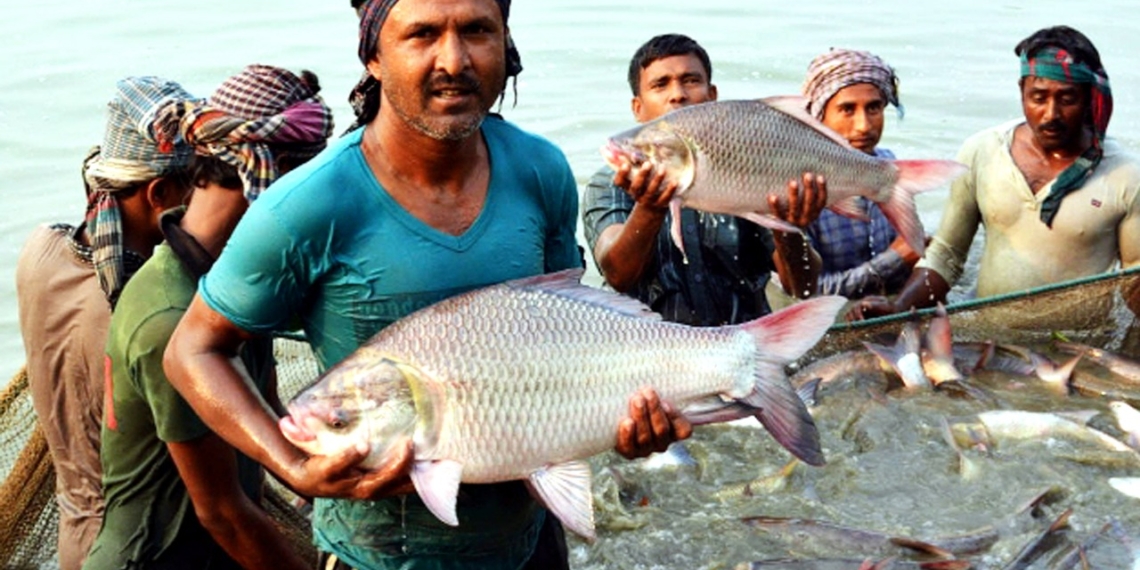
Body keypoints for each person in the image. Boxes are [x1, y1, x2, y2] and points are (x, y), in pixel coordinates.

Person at [162, 1, 689, 569]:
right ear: (373, 58)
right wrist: (291, 466)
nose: (454, 59)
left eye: (477, 30)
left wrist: (623, 418)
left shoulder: (541, 170)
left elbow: (561, 332)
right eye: (422, 34)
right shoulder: (310, 204)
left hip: (532, 544)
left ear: (505, 43)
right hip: (382, 556)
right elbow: (193, 348)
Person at [83, 65, 333, 570]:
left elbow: (269, 417)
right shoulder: (171, 317)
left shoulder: (236, 283)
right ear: (272, 180)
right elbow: (222, 513)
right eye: (307, 184)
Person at [14, 76, 196, 570]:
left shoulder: (40, 252)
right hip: (140, 547)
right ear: (159, 192)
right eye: (197, 184)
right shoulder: (146, 311)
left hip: (75, 537)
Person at [852, 25, 1140, 320]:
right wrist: (898, 308)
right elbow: (947, 254)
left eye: (1067, 100)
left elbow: (1134, 283)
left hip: (1081, 346)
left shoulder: (1125, 175)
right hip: (989, 340)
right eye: (1038, 97)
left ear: (1090, 98)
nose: (1051, 114)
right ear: (1022, 91)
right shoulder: (983, 151)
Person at [582, 33, 827, 326]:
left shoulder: (748, 168)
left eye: (691, 80)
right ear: (638, 108)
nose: (678, 94)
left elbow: (802, 286)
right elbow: (618, 276)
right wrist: (651, 207)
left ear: (712, 97)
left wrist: (787, 226)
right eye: (660, 85)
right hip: (648, 355)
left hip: (745, 346)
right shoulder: (610, 183)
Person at [797, 48, 922, 299]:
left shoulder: (888, 164)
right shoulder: (801, 186)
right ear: (819, 115)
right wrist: (894, 260)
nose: (864, 126)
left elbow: (912, 251)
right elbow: (806, 292)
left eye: (874, 108)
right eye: (847, 109)